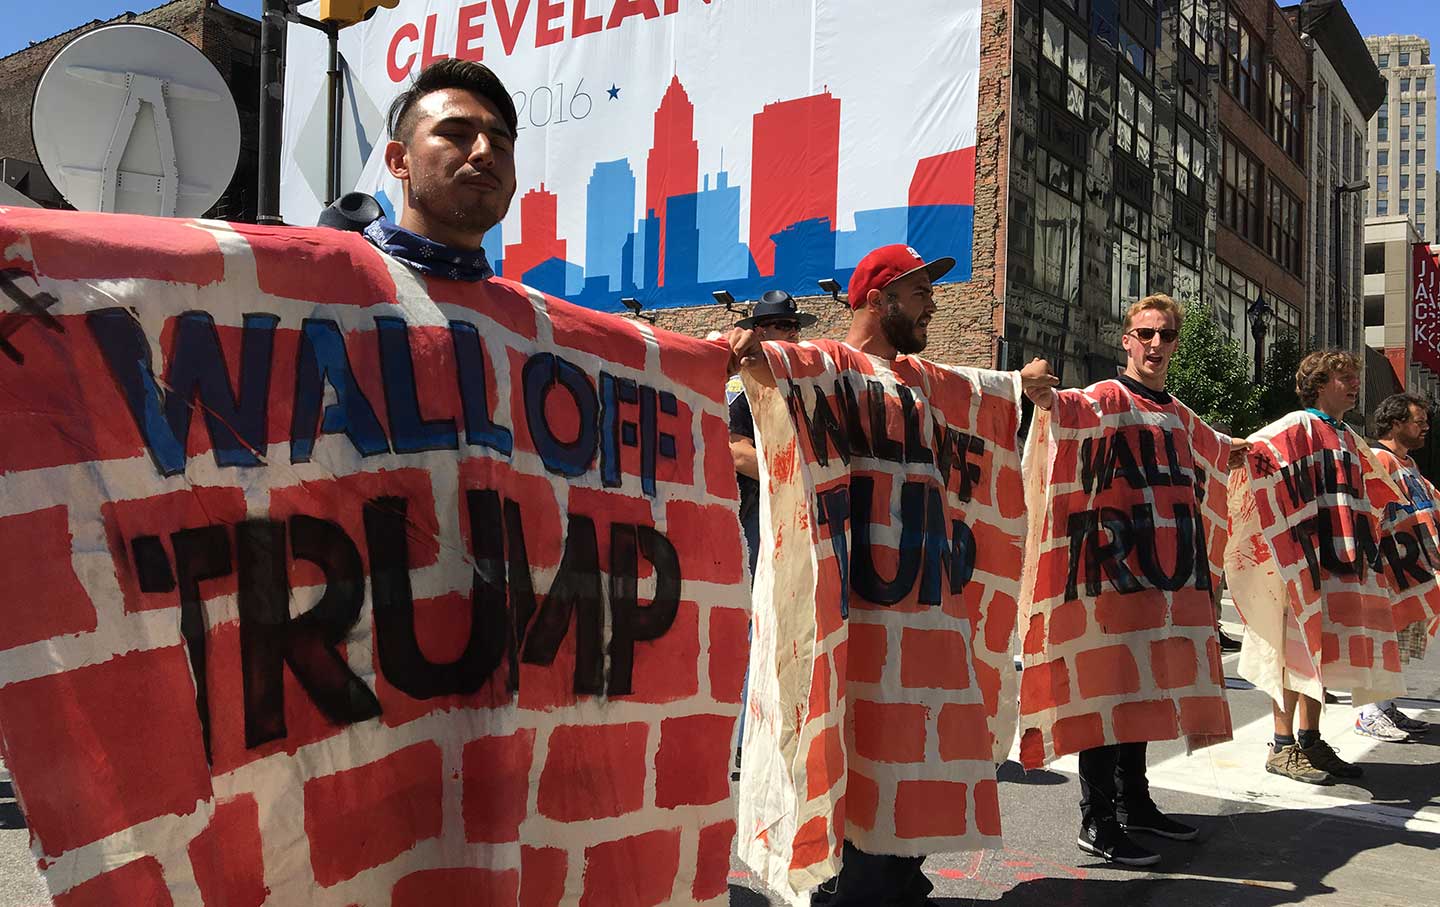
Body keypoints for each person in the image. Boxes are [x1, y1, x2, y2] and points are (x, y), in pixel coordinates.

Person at [728, 245, 1056, 906]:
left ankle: (898, 879)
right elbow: (781, 362)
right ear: (879, 300)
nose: (932, 302)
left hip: (925, 629)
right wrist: (738, 347)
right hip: (857, 626)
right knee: (854, 776)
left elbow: (979, 386)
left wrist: (1023, 384)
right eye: (919, 293)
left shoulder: (924, 381)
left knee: (915, 771)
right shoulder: (835, 368)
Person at [1025, 295, 1245, 867]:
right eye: (1145, 333)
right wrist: (1041, 394)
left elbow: (1218, 449)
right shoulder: (1106, 397)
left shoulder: (1175, 411)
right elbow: (1063, 411)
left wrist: (1250, 452)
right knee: (1106, 692)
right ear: (1126, 339)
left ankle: (1134, 803)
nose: (1154, 344)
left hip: (1157, 580)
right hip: (1107, 577)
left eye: (1166, 335)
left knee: (1143, 689)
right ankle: (1096, 820)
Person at [1231, 351, 1402, 785]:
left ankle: (1309, 738)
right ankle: (1282, 745)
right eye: (1344, 377)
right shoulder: (1299, 425)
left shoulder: (1345, 434)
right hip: (1300, 560)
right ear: (1319, 383)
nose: (1354, 384)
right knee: (1293, 651)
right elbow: (1255, 452)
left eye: (1355, 377)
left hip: (1334, 560)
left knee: (1316, 652)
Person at [363, 58, 518, 276]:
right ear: (398, 160)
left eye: (499, 144)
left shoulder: (532, 309)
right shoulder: (316, 271)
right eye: (455, 134)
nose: (485, 151)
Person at [1356, 393, 1437, 741]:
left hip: (1410, 571)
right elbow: (1366, 513)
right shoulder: (1380, 460)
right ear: (1396, 422)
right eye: (1419, 422)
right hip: (1388, 570)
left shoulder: (1408, 465)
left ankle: (1386, 705)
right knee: (1382, 641)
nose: (1426, 429)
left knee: (1403, 641)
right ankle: (1368, 711)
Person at [730, 290, 817, 574]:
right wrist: (796, 476)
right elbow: (736, 452)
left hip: (792, 506)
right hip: (753, 506)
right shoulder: (740, 382)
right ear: (759, 332)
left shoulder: (797, 384)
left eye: (796, 326)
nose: (794, 333)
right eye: (784, 325)